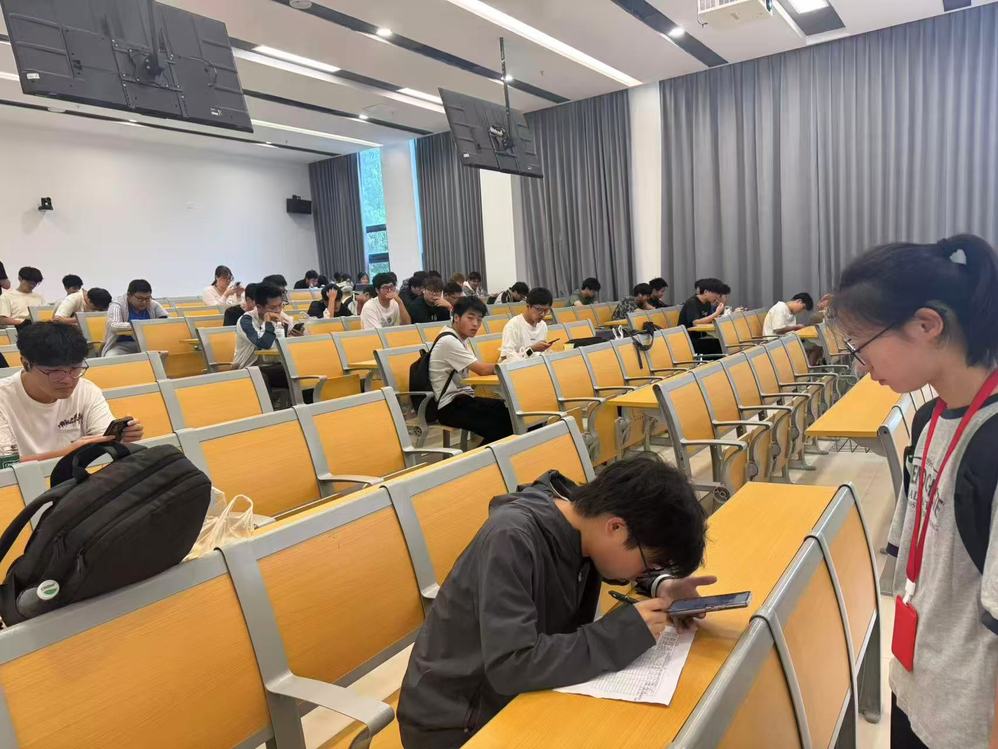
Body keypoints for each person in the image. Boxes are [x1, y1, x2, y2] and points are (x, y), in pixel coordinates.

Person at [397, 453, 713, 749]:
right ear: (616, 527)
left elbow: (614, 563)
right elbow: (511, 665)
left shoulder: (584, 518)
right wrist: (620, 634)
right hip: (457, 719)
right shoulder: (512, 538)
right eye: (649, 564)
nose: (643, 572)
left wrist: (662, 583)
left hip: (517, 694)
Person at [829, 234, 998, 749]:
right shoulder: (928, 419)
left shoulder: (991, 442)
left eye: (861, 344)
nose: (861, 366)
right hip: (917, 685)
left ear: (927, 325)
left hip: (969, 721)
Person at [0, 323, 143, 462]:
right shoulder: (4, 397)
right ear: (26, 364)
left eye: (75, 369)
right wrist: (68, 454)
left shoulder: (86, 390)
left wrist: (121, 437)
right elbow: (5, 464)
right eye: (55, 371)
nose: (68, 380)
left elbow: (103, 441)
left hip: (78, 476)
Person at [430, 296, 513, 445]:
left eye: (479, 320)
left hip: (463, 399)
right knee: (504, 425)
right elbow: (482, 370)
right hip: (449, 406)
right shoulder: (449, 341)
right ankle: (485, 458)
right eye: (470, 318)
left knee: (509, 411)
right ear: (456, 317)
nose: (475, 324)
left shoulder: (459, 338)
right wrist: (511, 365)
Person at [233, 283, 292, 398]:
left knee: (298, 370)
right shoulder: (246, 321)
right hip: (247, 368)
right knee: (261, 377)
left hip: (272, 365)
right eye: (272, 308)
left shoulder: (281, 316)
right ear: (259, 307)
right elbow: (264, 343)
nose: (278, 310)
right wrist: (268, 322)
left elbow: (285, 339)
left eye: (280, 305)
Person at [102, 279, 168, 356]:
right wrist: (139, 326)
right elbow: (114, 326)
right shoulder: (117, 305)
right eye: (140, 299)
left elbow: (166, 322)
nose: (144, 302)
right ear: (129, 295)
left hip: (149, 343)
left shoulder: (153, 304)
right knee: (111, 356)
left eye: (147, 298)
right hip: (122, 345)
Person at [500, 287, 553, 362]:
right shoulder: (513, 325)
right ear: (528, 306)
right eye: (539, 309)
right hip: (519, 367)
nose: (542, 314)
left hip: (537, 364)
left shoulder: (543, 325)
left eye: (546, 310)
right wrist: (532, 349)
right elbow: (505, 358)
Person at [678, 278, 726, 356]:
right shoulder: (692, 302)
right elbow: (695, 323)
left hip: (701, 337)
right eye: (716, 292)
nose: (717, 296)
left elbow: (708, 320)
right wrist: (716, 313)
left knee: (722, 342)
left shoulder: (707, 303)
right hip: (689, 340)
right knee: (719, 345)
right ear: (706, 292)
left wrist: (719, 314)